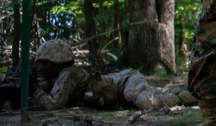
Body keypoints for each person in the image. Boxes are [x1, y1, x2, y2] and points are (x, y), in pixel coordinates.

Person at [30, 40, 195, 111]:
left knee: (146, 101)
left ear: (54, 62)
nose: (41, 69)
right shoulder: (59, 78)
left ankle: (188, 98)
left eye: (43, 64)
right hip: (122, 88)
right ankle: (185, 91)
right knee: (150, 95)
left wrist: (33, 87)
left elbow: (52, 104)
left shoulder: (68, 74)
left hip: (124, 82)